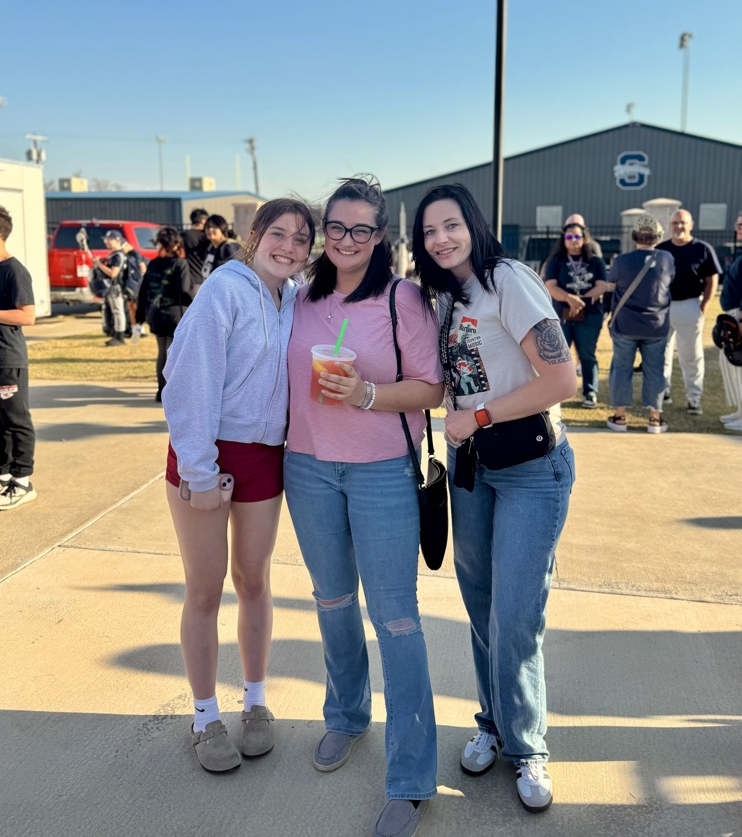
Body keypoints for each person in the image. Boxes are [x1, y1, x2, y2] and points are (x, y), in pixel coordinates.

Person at [284, 176, 444, 837]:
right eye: (337, 227)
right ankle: (346, 716)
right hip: (307, 467)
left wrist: (369, 395)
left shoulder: (403, 298)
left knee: (396, 619)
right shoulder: (301, 296)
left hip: (381, 472)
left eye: (361, 229)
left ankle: (409, 777)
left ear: (379, 237)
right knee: (331, 602)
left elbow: (432, 388)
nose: (346, 240)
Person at [411, 183, 577, 815]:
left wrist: (477, 415)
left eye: (450, 225)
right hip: (471, 468)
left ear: (473, 226)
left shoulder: (509, 280)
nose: (441, 238)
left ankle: (529, 746)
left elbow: (564, 379)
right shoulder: (445, 297)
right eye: (429, 231)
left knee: (516, 614)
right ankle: (494, 721)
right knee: (479, 604)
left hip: (531, 466)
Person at [161, 198, 316, 773]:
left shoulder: (297, 298)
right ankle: (204, 716)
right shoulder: (224, 290)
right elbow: (186, 381)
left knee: (255, 580)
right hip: (207, 453)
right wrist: (199, 471)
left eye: (302, 239)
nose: (289, 247)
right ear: (254, 237)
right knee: (206, 588)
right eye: (279, 234)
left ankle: (256, 701)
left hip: (264, 456)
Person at [606, 215, 674, 433]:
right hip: (656, 324)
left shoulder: (622, 260)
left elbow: (612, 282)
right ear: (659, 235)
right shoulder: (667, 258)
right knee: (655, 370)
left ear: (634, 235)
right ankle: (654, 418)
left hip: (626, 323)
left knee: (621, 368)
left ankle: (620, 417)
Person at [0, 205, 37, 511]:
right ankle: (2, 473)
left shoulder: (14, 270)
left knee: (16, 420)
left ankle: (22, 481)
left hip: (8, 358)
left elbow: (28, 315)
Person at [656, 208, 720, 415]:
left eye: (682, 222)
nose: (679, 227)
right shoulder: (661, 249)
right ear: (670, 226)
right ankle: (663, 391)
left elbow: (712, 280)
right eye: (675, 223)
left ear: (691, 225)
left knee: (690, 355)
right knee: (660, 352)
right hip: (663, 307)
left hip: (690, 305)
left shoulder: (702, 249)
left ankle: (694, 397)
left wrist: (704, 306)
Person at [543, 223, 609, 407]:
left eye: (577, 236)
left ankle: (590, 393)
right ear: (563, 240)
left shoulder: (596, 261)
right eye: (569, 237)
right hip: (562, 314)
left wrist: (580, 302)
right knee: (558, 355)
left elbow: (601, 285)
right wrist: (569, 299)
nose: (573, 241)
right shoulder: (555, 261)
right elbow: (551, 285)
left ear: (585, 238)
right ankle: (556, 393)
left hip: (590, 315)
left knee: (587, 354)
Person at [136, 227, 194, 402]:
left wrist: (139, 316)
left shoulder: (153, 264)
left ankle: (161, 389)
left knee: (163, 351)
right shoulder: (180, 264)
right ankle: (174, 390)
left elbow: (143, 290)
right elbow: (186, 291)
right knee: (176, 353)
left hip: (155, 313)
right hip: (175, 314)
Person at [718, 213, 742, 430]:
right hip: (733, 312)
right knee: (730, 362)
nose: (739, 230)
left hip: (740, 314)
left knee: (738, 361)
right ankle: (740, 410)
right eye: (738, 226)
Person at [97, 230, 127, 346]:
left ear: (118, 240)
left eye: (110, 239)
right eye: (106, 239)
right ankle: (115, 334)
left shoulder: (118, 256)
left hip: (116, 288)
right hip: (112, 288)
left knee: (118, 311)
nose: (107, 242)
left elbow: (113, 273)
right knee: (115, 311)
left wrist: (99, 264)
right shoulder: (114, 255)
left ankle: (120, 337)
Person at [201, 214, 243, 278]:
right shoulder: (210, 248)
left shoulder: (229, 247)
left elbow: (237, 271)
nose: (210, 230)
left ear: (222, 228)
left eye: (214, 227)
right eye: (207, 227)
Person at [181, 207, 210, 295]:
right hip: (205, 278)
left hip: (189, 279)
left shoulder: (184, 235)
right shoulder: (207, 237)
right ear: (203, 221)